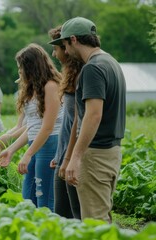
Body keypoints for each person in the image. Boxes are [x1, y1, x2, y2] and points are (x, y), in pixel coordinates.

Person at [49, 17, 126, 222]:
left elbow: (93, 115)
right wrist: (68, 157)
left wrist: (76, 157)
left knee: (94, 223)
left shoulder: (92, 68)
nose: (65, 51)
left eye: (64, 44)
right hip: (111, 151)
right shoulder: (111, 62)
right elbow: (80, 116)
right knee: (101, 218)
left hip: (95, 155)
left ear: (73, 39)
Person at [0, 43, 63, 210]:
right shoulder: (33, 89)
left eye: (22, 68)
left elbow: (47, 127)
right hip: (35, 144)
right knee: (28, 199)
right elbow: (32, 127)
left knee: (45, 202)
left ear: (32, 67)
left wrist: (27, 154)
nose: (20, 72)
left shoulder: (51, 86)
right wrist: (11, 150)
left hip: (50, 144)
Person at [48, 26, 83, 219]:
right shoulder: (69, 76)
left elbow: (79, 122)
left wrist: (69, 157)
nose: (54, 54)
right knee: (62, 213)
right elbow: (67, 122)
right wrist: (60, 153)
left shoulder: (81, 76)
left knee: (73, 214)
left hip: (74, 156)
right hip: (64, 154)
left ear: (66, 47)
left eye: (57, 49)